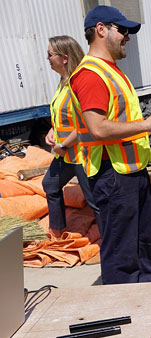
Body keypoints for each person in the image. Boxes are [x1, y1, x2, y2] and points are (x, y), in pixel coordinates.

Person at [69, 6, 151, 284]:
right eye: (123, 30)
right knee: (122, 255)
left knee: (139, 249)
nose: (127, 37)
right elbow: (98, 128)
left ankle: (144, 307)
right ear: (101, 30)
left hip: (129, 173)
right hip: (114, 176)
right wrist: (147, 124)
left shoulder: (110, 71)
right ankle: (124, 314)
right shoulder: (92, 74)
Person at [42, 35, 98, 238]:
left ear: (64, 57)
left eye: (50, 54)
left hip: (81, 154)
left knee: (94, 201)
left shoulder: (78, 82)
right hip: (66, 154)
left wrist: (64, 144)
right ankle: (57, 231)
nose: (47, 58)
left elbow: (84, 122)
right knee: (50, 184)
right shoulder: (63, 81)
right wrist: (52, 131)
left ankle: (109, 242)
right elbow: (63, 115)